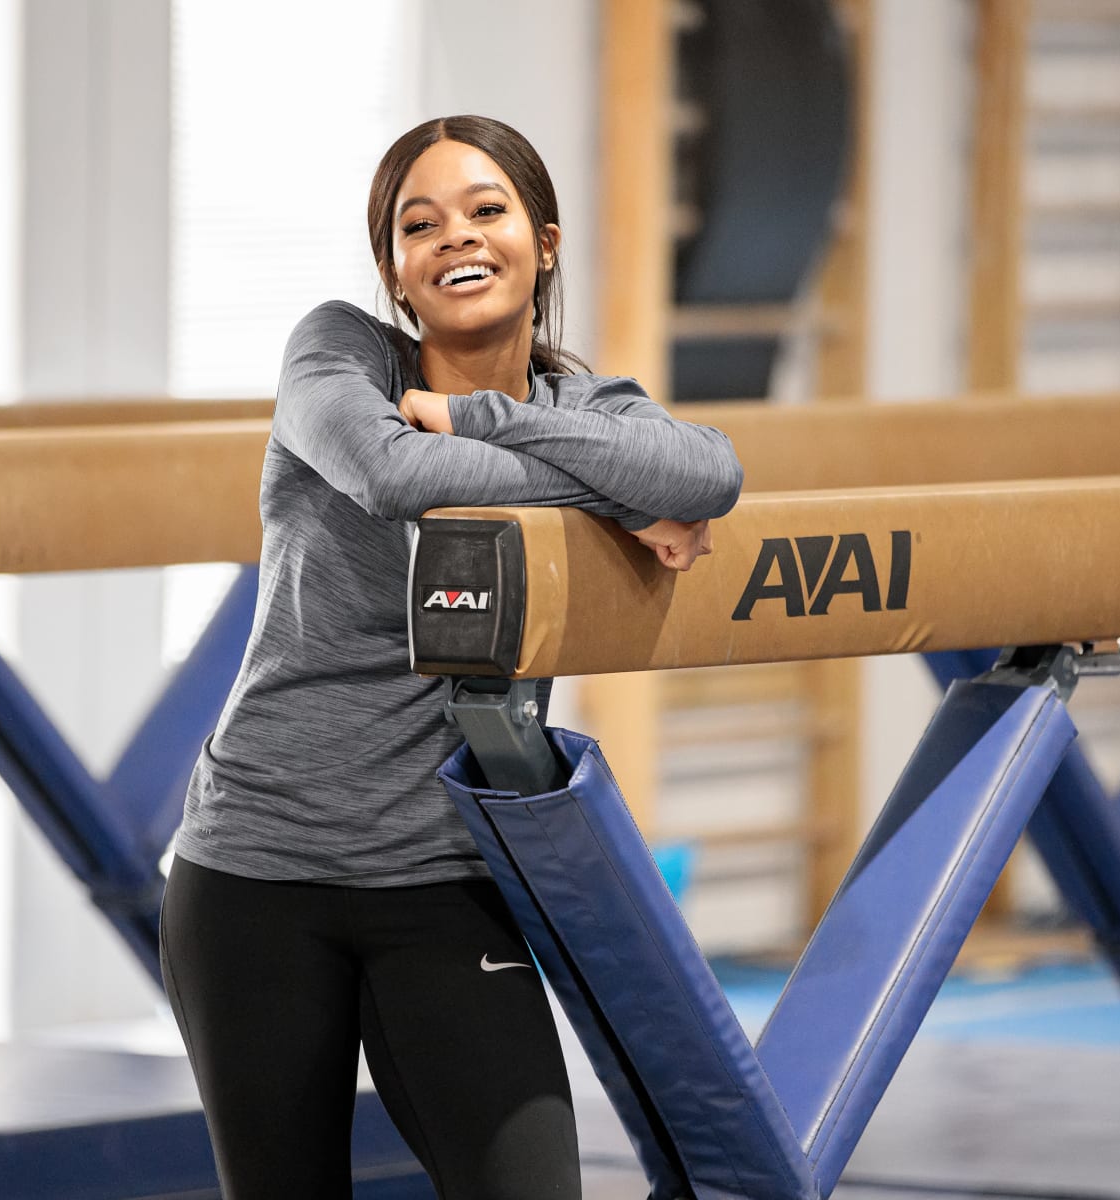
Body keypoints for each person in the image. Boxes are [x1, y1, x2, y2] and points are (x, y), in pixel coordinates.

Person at [158, 113, 743, 1199]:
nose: (454, 237)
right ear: (394, 270)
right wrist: (619, 498)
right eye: (418, 224)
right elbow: (395, 478)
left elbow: (708, 477)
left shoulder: (588, 407)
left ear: (545, 240)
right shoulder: (338, 354)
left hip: (446, 878)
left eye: (486, 210)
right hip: (257, 873)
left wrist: (474, 416)